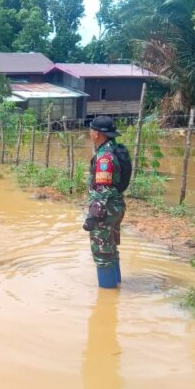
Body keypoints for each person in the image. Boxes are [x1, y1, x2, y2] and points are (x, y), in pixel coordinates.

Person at [83, 116, 131, 288]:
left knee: (102, 254)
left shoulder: (105, 157)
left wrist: (92, 215)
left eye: (91, 130)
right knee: (110, 249)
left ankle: (108, 295)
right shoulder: (115, 149)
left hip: (105, 209)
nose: (89, 133)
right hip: (115, 207)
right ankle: (116, 287)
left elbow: (103, 189)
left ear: (97, 134)